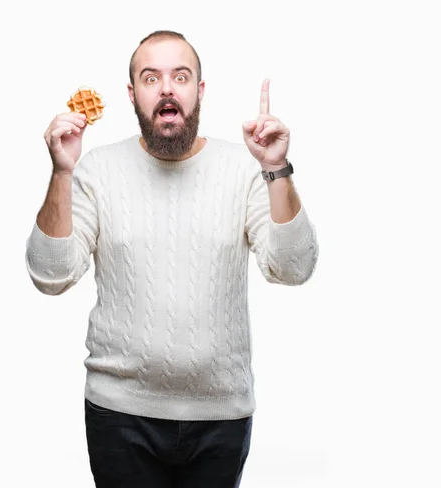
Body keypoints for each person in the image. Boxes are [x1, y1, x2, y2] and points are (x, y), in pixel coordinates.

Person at [25, 29, 319, 488]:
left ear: (199, 91)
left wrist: (276, 168)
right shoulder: (96, 170)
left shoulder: (245, 169)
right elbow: (50, 274)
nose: (166, 88)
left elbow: (294, 267)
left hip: (221, 415)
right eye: (150, 77)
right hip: (119, 415)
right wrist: (62, 173)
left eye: (180, 76)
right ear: (132, 94)